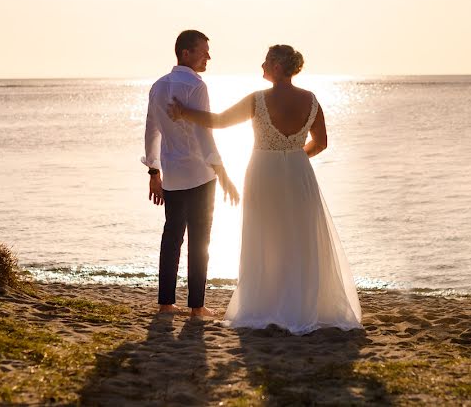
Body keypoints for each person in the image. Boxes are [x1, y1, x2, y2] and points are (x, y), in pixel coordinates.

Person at [168, 44, 362, 334]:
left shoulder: (258, 99)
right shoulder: (311, 100)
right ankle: (301, 304)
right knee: (300, 237)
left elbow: (220, 121)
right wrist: (293, 155)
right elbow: (321, 143)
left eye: (266, 61)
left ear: (277, 67)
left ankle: (267, 304)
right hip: (299, 173)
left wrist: (185, 113)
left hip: (263, 173)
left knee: (265, 236)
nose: (261, 65)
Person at [142, 30, 239, 317]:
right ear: (185, 53)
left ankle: (166, 304)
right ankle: (197, 307)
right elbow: (204, 133)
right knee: (200, 240)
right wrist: (222, 174)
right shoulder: (197, 86)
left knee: (171, 238)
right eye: (203, 50)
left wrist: (153, 170)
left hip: (171, 174)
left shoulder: (158, 86)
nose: (208, 56)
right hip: (199, 175)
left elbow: (151, 130)